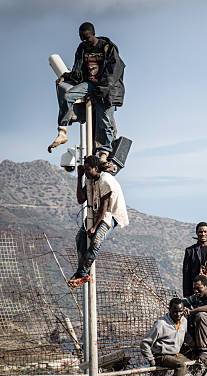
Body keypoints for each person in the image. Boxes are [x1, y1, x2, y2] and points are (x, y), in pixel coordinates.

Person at [49, 21, 125, 164]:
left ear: (93, 34)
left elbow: (113, 73)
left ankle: (105, 151)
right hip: (90, 84)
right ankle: (63, 131)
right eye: (82, 39)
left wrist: (100, 91)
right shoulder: (82, 48)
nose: (86, 41)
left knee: (105, 119)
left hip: (107, 88)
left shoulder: (107, 48)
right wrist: (66, 76)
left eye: (87, 38)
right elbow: (78, 72)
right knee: (68, 96)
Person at [68, 155, 128, 287]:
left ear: (96, 168)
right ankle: (82, 273)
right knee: (80, 238)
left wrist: (95, 227)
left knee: (96, 240)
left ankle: (81, 273)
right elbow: (80, 199)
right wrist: (79, 177)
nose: (87, 172)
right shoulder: (89, 179)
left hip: (110, 214)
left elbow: (104, 207)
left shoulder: (105, 180)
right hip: (95, 214)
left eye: (88, 169)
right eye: (85, 169)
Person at [140, 298, 189, 376]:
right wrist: (151, 360)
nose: (178, 314)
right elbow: (145, 343)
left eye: (180, 311)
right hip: (161, 355)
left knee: (193, 363)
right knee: (181, 366)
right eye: (175, 311)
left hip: (175, 354)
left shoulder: (184, 321)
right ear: (169, 309)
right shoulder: (161, 324)